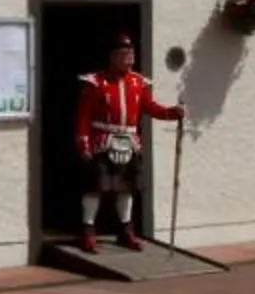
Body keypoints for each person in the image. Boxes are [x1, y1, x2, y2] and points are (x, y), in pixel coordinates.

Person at [73, 34, 181, 252]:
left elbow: (150, 107)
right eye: (124, 54)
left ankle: (125, 230)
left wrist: (171, 113)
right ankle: (88, 231)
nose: (129, 58)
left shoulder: (139, 82)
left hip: (129, 142)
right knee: (96, 189)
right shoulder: (95, 82)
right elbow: (83, 117)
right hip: (102, 142)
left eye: (131, 54)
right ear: (112, 56)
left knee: (126, 190)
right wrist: (83, 143)